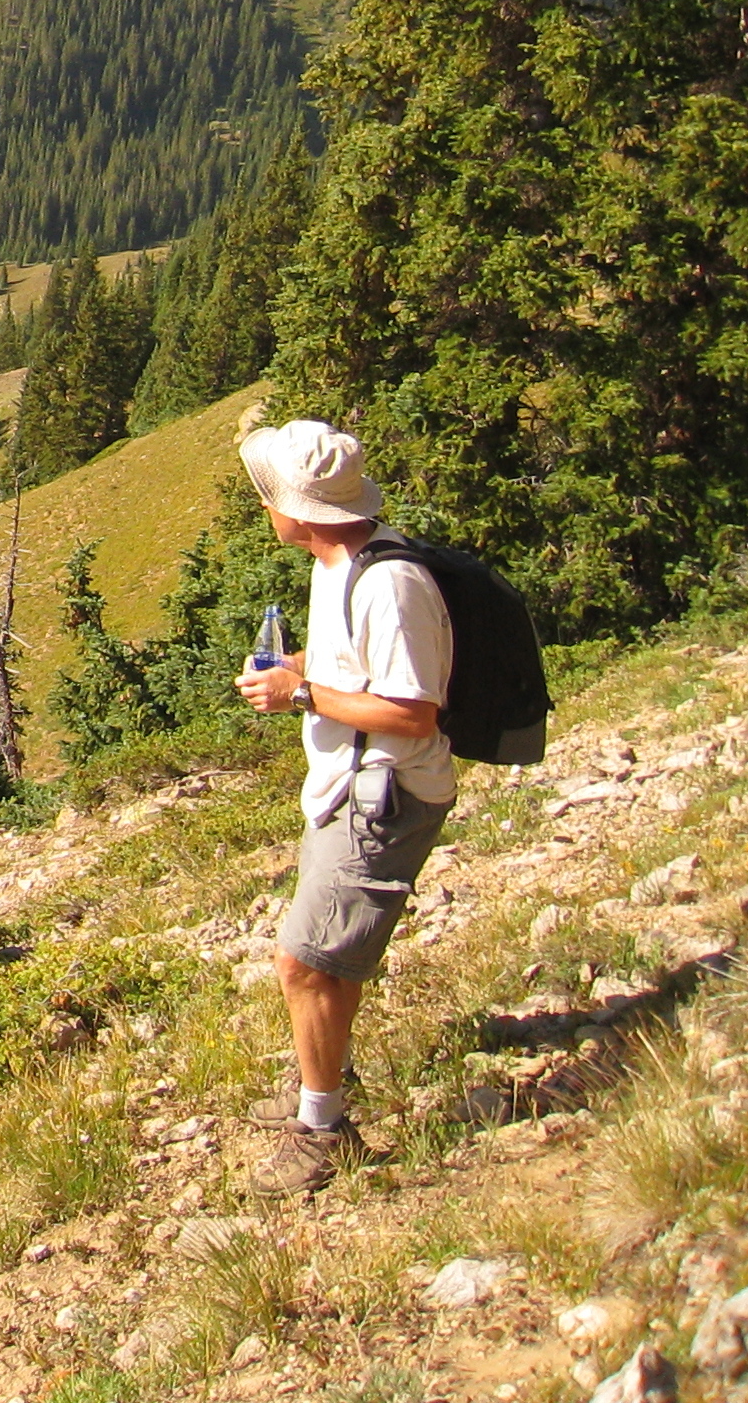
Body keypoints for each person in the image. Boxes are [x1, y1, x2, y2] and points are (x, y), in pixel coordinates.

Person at [228, 416, 453, 1195]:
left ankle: (322, 1133)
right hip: (349, 788)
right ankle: (321, 1081)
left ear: (304, 509)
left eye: (272, 497)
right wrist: (296, 666)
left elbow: (413, 712)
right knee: (329, 959)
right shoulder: (340, 563)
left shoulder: (390, 584)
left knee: (303, 963)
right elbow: (352, 663)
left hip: (383, 797)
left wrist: (304, 693)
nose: (267, 509)